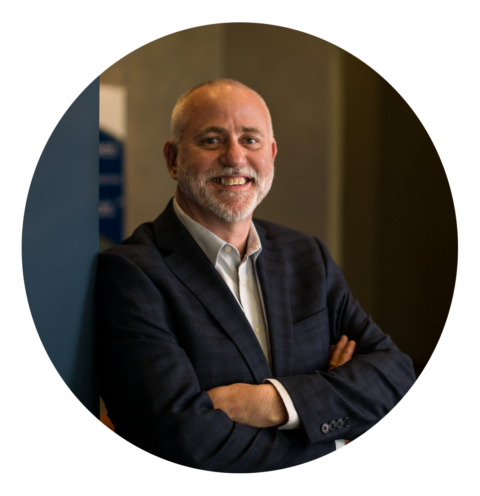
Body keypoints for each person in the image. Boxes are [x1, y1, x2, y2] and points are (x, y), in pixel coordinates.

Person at [95, 78, 416, 473]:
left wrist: (274, 402)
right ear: (173, 159)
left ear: (272, 154)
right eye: (211, 140)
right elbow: (182, 438)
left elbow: (395, 379)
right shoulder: (130, 273)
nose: (234, 157)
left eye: (250, 140)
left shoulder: (306, 256)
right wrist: (328, 428)